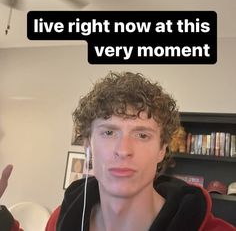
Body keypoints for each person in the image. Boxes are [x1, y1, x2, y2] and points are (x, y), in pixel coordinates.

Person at [0, 71, 235, 231]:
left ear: (162, 150)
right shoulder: (62, 219)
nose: (123, 150)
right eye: (109, 133)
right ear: (88, 145)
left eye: (142, 135)